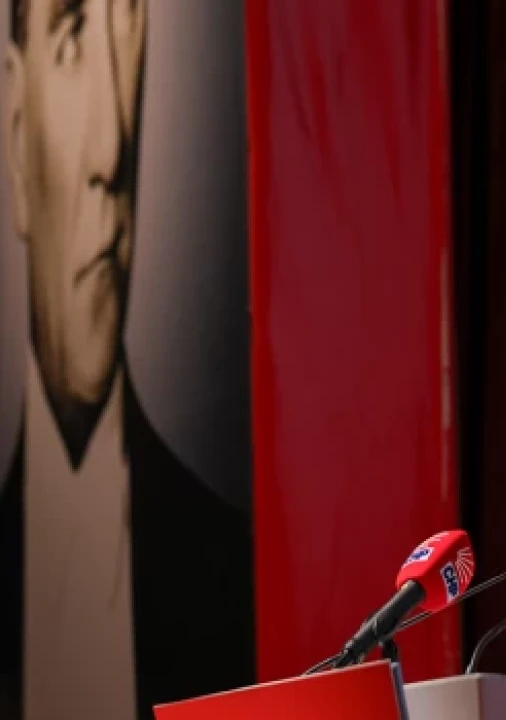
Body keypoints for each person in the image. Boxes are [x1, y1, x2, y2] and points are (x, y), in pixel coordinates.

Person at [0, 1, 254, 718]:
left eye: (129, 27)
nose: (111, 147)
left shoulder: (235, 579)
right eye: (73, 36)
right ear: (16, 130)